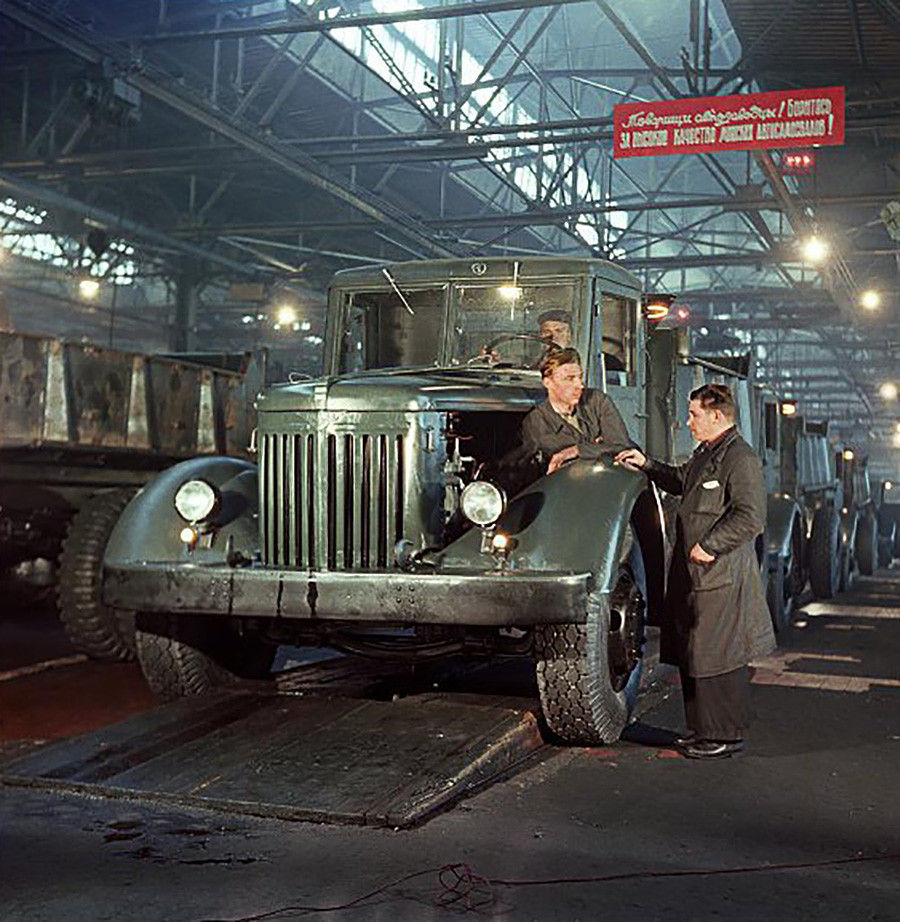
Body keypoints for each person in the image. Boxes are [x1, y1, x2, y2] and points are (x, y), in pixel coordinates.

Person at [616, 384, 775, 760]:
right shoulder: (709, 454)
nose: (688, 422)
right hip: (697, 573)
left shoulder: (740, 458)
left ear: (717, 416)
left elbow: (751, 516)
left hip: (719, 573)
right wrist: (648, 465)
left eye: (694, 415)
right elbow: (679, 480)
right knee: (696, 653)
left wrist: (710, 544)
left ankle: (723, 735)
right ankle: (703, 731)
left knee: (717, 655)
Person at [521, 347, 634, 474]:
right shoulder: (537, 420)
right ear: (548, 382)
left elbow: (622, 446)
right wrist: (599, 446)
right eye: (569, 379)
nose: (579, 385)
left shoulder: (596, 400)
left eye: (580, 377)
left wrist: (576, 450)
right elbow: (564, 460)